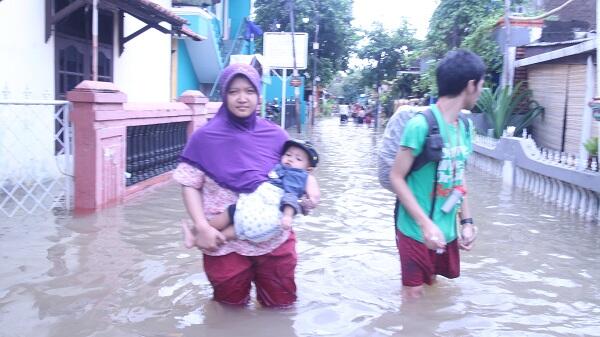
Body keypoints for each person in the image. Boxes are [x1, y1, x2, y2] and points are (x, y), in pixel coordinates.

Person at [173, 63, 311, 307]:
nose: (242, 98)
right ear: (224, 95)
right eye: (233, 91)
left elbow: (294, 177)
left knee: (280, 308)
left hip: (273, 238)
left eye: (249, 91)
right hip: (224, 243)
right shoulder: (204, 138)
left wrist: (306, 201)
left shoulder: (276, 136)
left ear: (258, 95)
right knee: (229, 312)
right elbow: (190, 184)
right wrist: (201, 227)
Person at [389, 49, 483, 298]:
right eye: (481, 84)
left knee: (433, 287)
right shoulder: (420, 125)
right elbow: (396, 177)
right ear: (471, 85)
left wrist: (467, 222)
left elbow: (458, 176)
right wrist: (425, 224)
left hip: (445, 228)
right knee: (413, 295)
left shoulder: (464, 126)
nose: (481, 90)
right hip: (413, 227)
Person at [182, 138, 320, 245]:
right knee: (235, 231)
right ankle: (196, 239)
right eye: (288, 154)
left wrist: (289, 215)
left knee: (231, 213)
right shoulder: (289, 171)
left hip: (269, 211)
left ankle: (196, 233)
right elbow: (309, 199)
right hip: (264, 220)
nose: (290, 159)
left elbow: (292, 196)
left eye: (298, 158)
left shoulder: (298, 176)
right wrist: (308, 203)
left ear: (308, 169)